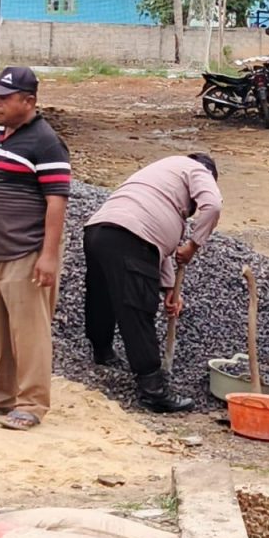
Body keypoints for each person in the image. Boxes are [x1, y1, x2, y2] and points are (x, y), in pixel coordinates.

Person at [0, 66, 70, 431]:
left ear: (29, 101)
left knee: (29, 331)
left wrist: (48, 256)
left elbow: (56, 202)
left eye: (4, 98)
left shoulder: (45, 142)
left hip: (27, 251)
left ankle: (32, 403)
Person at [83, 153, 222, 413]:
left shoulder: (161, 177)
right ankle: (153, 390)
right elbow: (213, 206)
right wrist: (194, 244)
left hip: (99, 230)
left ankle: (102, 352)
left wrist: (170, 290)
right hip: (132, 237)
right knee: (138, 309)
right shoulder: (197, 170)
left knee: (102, 297)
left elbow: (158, 248)